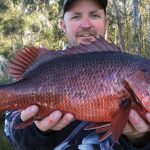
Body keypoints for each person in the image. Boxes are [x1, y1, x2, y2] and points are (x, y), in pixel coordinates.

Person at [4, 0, 150, 149]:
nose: (86, 24)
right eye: (76, 16)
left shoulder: (129, 61)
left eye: (94, 15)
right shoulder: (44, 67)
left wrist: (140, 140)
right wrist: (36, 132)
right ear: (62, 25)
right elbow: (11, 133)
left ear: (106, 21)